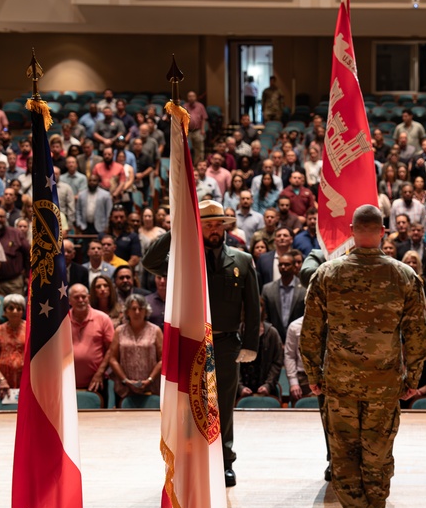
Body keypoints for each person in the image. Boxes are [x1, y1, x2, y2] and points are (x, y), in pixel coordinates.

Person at [300, 204, 426, 508]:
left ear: (352, 231)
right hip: (384, 384)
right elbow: (418, 332)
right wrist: (412, 379)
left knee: (344, 449)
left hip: (339, 383)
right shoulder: (404, 276)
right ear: (383, 232)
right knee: (377, 449)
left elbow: (311, 330)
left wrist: (313, 374)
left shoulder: (327, 274)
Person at [142, 200, 260, 487]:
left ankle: (224, 462)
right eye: (208, 225)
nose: (215, 230)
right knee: (191, 403)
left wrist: (251, 345)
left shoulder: (242, 260)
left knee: (223, 406)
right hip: (194, 343)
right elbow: (150, 261)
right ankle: (192, 459)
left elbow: (253, 307)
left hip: (227, 342)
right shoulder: (185, 261)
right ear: (199, 228)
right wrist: (176, 230)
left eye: (219, 224)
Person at [108, 294, 163, 408]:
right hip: (125, 388)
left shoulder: (155, 330)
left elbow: (163, 359)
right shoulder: (119, 331)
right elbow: (112, 359)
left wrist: (150, 379)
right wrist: (126, 380)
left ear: (146, 311)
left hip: (152, 387)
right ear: (127, 312)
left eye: (140, 308)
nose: (137, 312)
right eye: (133, 309)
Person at [68, 283, 115, 405]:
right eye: (76, 297)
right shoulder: (62, 320)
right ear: (69, 300)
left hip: (96, 382)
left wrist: (99, 373)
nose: (81, 300)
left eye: (83, 297)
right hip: (67, 383)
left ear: (88, 297)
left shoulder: (103, 319)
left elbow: (112, 349)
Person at [260, 252, 306, 342]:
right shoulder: (267, 289)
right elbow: (264, 316)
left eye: (287, 264)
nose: (283, 267)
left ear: (294, 266)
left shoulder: (304, 289)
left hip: (298, 339)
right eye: (281, 264)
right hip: (273, 339)